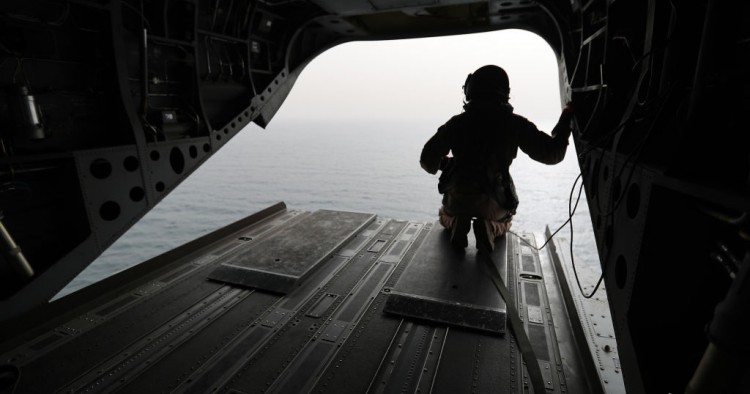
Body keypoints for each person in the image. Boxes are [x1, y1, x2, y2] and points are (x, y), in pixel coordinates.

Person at [420, 65, 574, 253]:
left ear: (471, 91)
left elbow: (427, 160)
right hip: (493, 203)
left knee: (444, 216)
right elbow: (553, 154)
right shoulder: (515, 124)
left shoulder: (457, 123)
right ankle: (491, 228)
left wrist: (447, 163)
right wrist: (566, 117)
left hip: (458, 201)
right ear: (504, 93)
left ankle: (456, 223)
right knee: (506, 221)